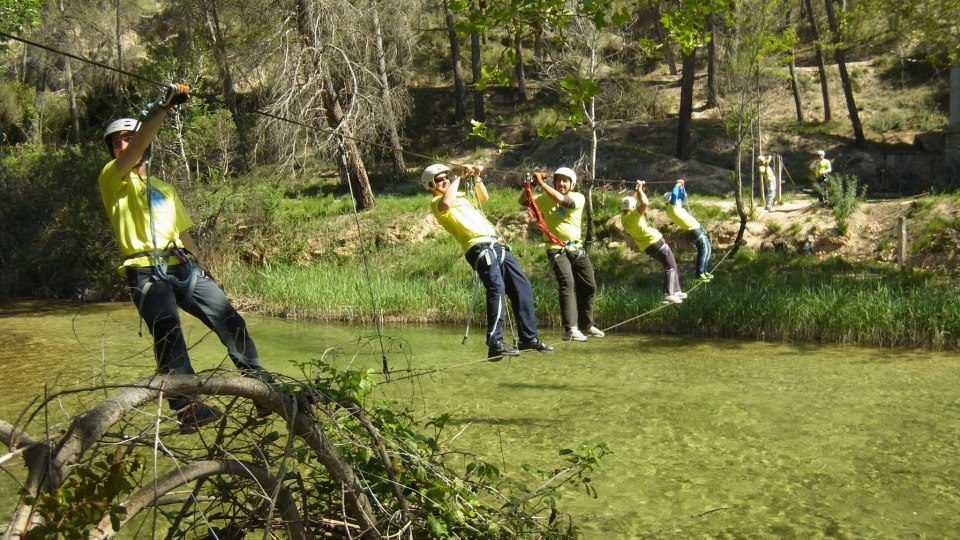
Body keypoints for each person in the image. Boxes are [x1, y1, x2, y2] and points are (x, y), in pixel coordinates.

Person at [98, 84, 272, 432]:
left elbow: (184, 232)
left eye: (127, 139)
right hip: (144, 269)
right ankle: (187, 407)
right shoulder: (112, 178)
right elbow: (134, 149)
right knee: (169, 332)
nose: (122, 145)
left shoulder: (164, 188)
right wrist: (162, 109)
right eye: (116, 141)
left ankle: (260, 384)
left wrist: (204, 266)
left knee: (230, 318)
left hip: (183, 265)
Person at [424, 163, 553, 360]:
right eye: (440, 179)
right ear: (431, 184)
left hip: (498, 244)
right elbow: (446, 203)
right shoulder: (437, 202)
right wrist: (460, 175)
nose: (445, 180)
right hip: (478, 247)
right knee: (496, 289)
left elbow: (483, 197)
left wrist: (476, 177)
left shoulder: (462, 197)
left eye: (446, 177)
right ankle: (495, 342)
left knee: (523, 287)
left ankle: (528, 337)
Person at [518, 167, 603, 342]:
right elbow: (523, 201)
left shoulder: (577, 197)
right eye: (558, 180)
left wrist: (541, 183)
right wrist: (533, 184)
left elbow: (564, 201)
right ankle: (570, 328)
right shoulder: (545, 198)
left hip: (576, 248)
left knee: (589, 286)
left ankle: (585, 325)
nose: (561, 183)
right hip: (556, 248)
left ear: (572, 183)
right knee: (567, 283)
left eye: (565, 180)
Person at [620, 181, 685, 305]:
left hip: (648, 247)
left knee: (671, 264)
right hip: (655, 242)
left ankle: (676, 290)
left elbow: (630, 200)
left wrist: (638, 188)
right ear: (632, 207)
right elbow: (645, 203)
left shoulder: (624, 218)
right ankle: (669, 293)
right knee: (670, 266)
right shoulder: (633, 216)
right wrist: (640, 191)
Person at [665, 179, 713, 282]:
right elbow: (674, 195)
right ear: (669, 201)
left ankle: (703, 271)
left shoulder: (677, 207)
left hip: (697, 229)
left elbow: (681, 197)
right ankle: (699, 274)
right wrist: (677, 185)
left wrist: (682, 187)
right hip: (694, 230)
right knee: (703, 251)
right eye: (675, 199)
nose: (677, 199)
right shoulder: (671, 208)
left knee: (708, 250)